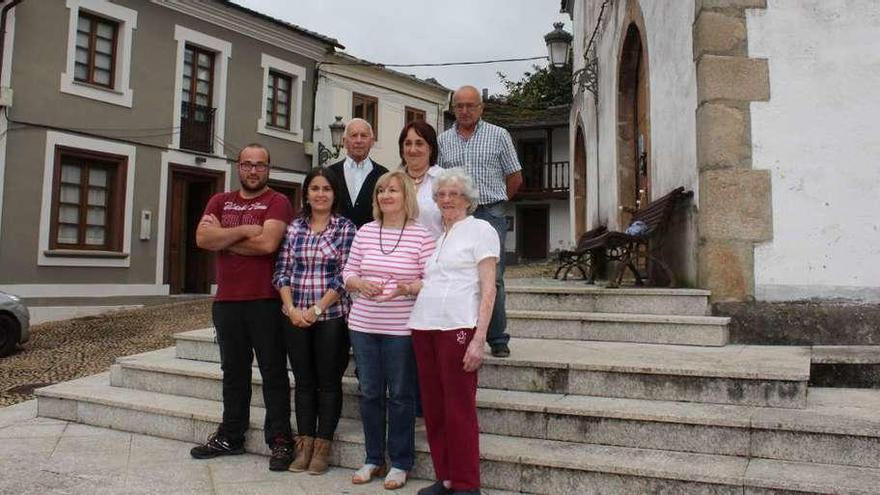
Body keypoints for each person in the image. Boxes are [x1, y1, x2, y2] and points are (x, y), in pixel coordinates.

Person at [191, 143, 295, 471]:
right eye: (247, 164)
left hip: (265, 300)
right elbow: (203, 239)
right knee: (233, 373)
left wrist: (225, 238)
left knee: (273, 372)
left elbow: (268, 244)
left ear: (268, 168)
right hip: (227, 302)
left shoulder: (278, 201)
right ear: (238, 167)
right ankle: (231, 435)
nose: (253, 170)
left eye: (260, 165)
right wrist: (244, 230)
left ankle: (279, 439)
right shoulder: (220, 200)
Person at [342, 170, 435, 490]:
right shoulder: (365, 231)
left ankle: (400, 462)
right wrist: (358, 283)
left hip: (401, 329)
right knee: (368, 393)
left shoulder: (421, 235)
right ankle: (372, 458)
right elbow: (348, 271)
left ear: (405, 196)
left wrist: (407, 288)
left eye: (393, 190)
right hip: (363, 325)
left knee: (400, 395)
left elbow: (431, 279)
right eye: (381, 191)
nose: (385, 195)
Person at [408, 168, 498, 495]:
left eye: (454, 194)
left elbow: (488, 289)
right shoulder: (440, 237)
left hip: (458, 327)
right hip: (424, 326)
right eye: (442, 194)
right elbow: (434, 282)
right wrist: (405, 285)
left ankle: (466, 484)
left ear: (467, 199)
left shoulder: (480, 229)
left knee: (458, 408)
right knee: (434, 408)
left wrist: (479, 338)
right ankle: (446, 478)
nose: (447, 199)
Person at [272, 167, 356, 475]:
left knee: (329, 383)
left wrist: (317, 310)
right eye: (315, 188)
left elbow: (344, 276)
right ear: (306, 193)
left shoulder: (345, 228)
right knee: (304, 382)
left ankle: (323, 445)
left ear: (335, 195)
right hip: (294, 317)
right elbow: (282, 270)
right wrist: (291, 308)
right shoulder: (295, 228)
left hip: (331, 317)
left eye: (326, 189)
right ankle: (303, 444)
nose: (320, 194)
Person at [437, 85, 522, 358]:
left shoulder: (499, 135)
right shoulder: (442, 141)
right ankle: (461, 332)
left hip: (490, 213)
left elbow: (515, 176)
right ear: (453, 109)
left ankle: (497, 338)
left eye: (470, 105)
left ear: (481, 108)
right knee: (458, 273)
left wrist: (497, 203)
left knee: (493, 278)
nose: (464, 110)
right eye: (459, 106)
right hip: (456, 217)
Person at [329, 118, 389, 227]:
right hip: (336, 241)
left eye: (364, 136)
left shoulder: (384, 175)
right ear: (344, 142)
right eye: (354, 135)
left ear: (372, 142)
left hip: (371, 242)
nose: (359, 140)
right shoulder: (330, 174)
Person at [399, 120, 443, 239]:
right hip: (398, 254)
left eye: (419, 143)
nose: (412, 150)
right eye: (408, 143)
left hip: (434, 254)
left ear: (431, 148)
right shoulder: (394, 181)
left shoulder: (445, 181)